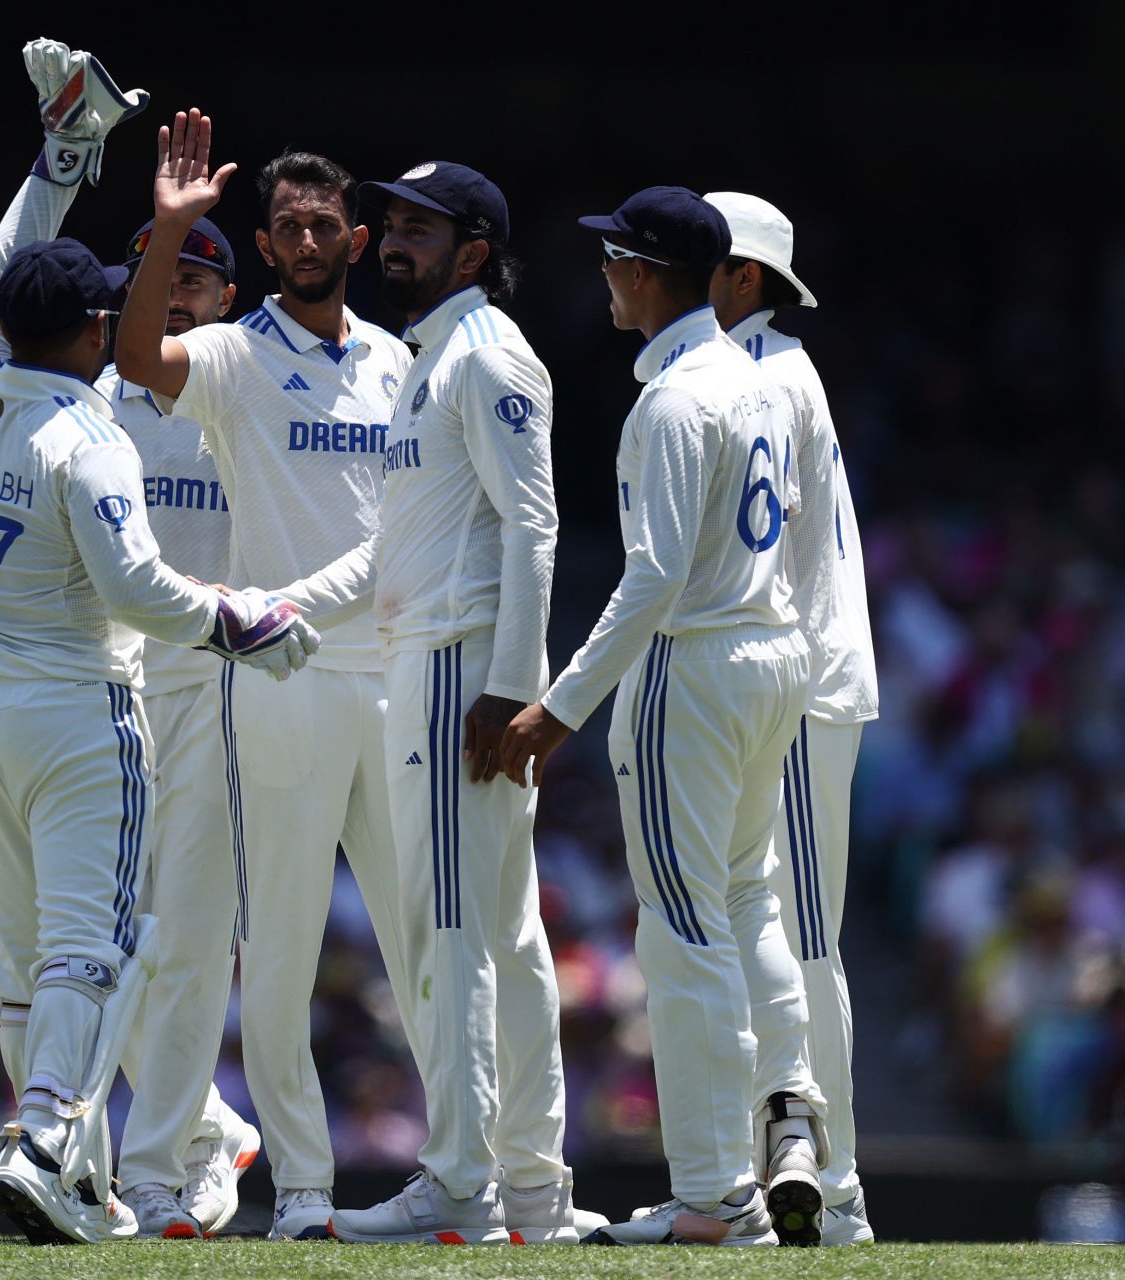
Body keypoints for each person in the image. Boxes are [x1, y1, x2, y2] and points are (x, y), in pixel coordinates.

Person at [0, 41, 316, 1246]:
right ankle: (57, 1139)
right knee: (89, 950)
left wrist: (63, 158)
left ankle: (73, 1154)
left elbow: (4, 271)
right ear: (98, 323)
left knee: (44, 954)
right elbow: (143, 587)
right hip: (87, 706)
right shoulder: (89, 431)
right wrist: (243, 622)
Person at [496, 186, 829, 1247]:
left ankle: (714, 1198)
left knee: (684, 932)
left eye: (612, 260)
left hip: (697, 661)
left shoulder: (677, 397)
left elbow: (652, 577)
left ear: (645, 273)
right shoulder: (761, 375)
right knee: (746, 900)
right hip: (769, 652)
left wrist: (560, 703)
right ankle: (789, 1121)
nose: (603, 276)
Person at [115, 110, 417, 1241]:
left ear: (357, 234)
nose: (303, 236)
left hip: (390, 678)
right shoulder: (238, 354)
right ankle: (300, 1187)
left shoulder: (400, 360)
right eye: (284, 223)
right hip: (277, 673)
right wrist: (166, 233)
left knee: (421, 938)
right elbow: (140, 359)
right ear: (266, 237)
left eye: (321, 221)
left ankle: (462, 1172)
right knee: (280, 954)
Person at [320, 162, 595, 1245]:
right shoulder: (431, 358)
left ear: (474, 250)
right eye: (389, 222)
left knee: (453, 930)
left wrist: (510, 687)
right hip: (431, 650)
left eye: (419, 227)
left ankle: (460, 1182)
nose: (393, 240)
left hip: (455, 664)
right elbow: (403, 540)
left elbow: (536, 527)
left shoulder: (485, 355)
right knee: (504, 932)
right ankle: (531, 1188)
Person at [707, 190, 879, 1247]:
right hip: (765, 683)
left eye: (696, 257)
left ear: (745, 279)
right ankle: (757, 1176)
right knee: (747, 933)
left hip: (803, 688)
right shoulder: (728, 371)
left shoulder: (777, 371)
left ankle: (845, 1188)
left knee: (805, 940)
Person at [95, 216, 261, 1240]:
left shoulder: (244, 392)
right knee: (92, 943)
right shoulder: (96, 398)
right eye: (163, 281)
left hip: (215, 687)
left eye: (197, 281)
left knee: (191, 939)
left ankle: (153, 1171)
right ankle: (206, 1123)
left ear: (228, 300)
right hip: (104, 686)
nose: (178, 297)